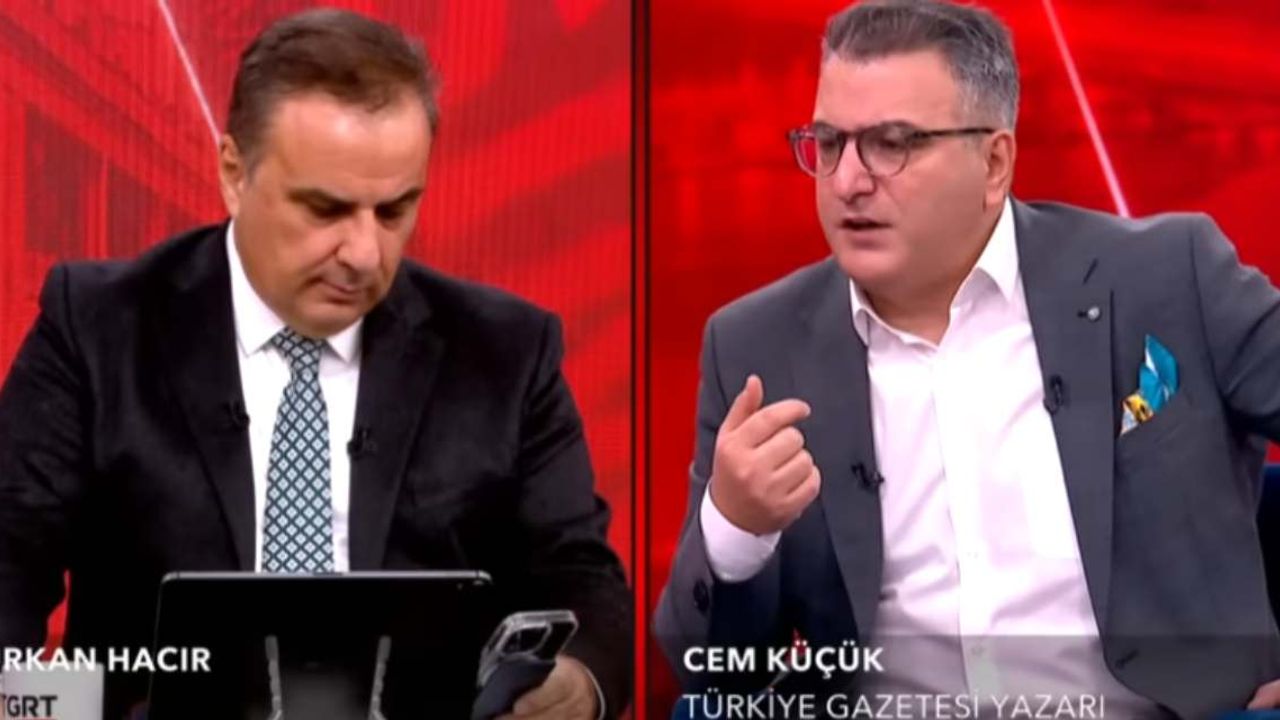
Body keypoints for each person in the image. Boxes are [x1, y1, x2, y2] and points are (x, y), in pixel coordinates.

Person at [655, 0, 1280, 716]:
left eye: (892, 143)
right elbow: (712, 680)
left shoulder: (1166, 278)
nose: (848, 180)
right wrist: (736, 530)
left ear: (994, 162)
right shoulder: (755, 345)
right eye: (828, 143)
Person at [0, 8, 629, 719]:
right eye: (326, 210)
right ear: (234, 173)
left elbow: (582, 577)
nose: (364, 253)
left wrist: (578, 683)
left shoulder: (507, 353)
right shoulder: (97, 328)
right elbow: (8, 564)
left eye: (394, 211)